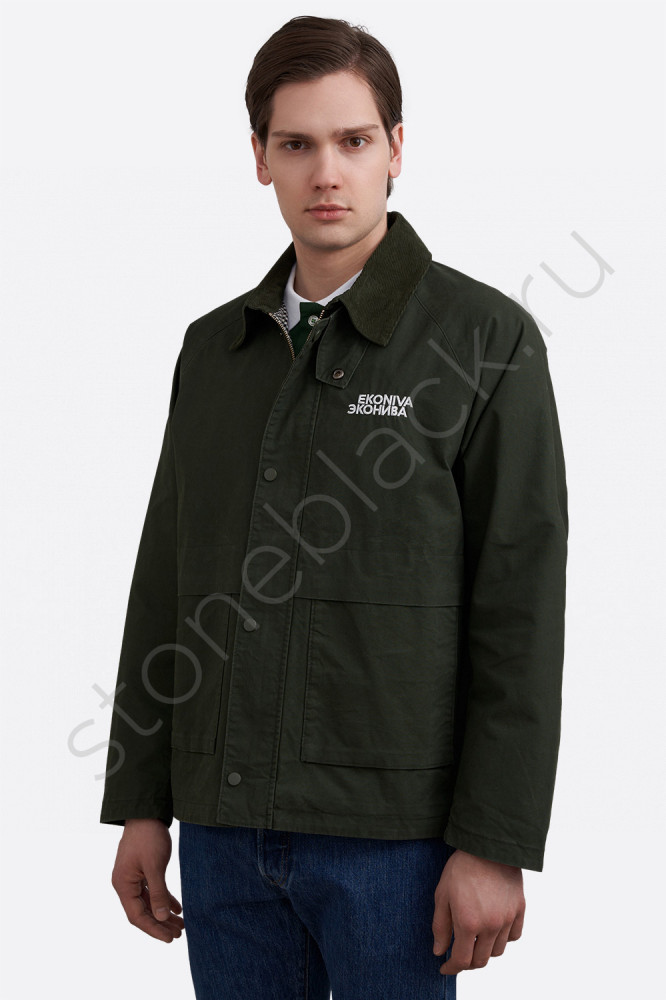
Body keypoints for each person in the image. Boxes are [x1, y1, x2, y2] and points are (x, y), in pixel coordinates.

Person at [100, 15, 568, 1000]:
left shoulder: (485, 339)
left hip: (396, 847)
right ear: (259, 158)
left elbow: (520, 610)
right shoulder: (214, 350)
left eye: (353, 141)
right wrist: (142, 802)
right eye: (296, 144)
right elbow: (166, 580)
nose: (326, 173)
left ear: (396, 148)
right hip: (222, 833)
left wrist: (494, 840)